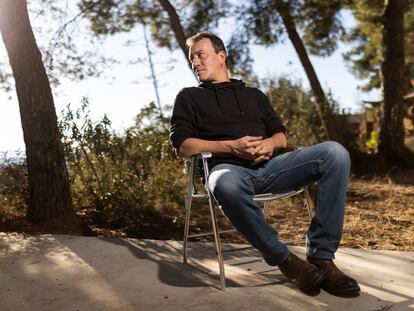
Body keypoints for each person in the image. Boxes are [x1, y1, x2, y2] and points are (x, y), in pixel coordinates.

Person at [169, 31, 360, 297]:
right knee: (225, 182)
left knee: (335, 153)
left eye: (201, 55)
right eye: (192, 59)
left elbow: (280, 135)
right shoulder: (189, 97)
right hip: (228, 172)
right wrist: (231, 146)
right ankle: (286, 261)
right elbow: (183, 145)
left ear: (221, 56)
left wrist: (269, 145)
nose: (196, 63)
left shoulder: (255, 95)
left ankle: (321, 257)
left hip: (270, 168)